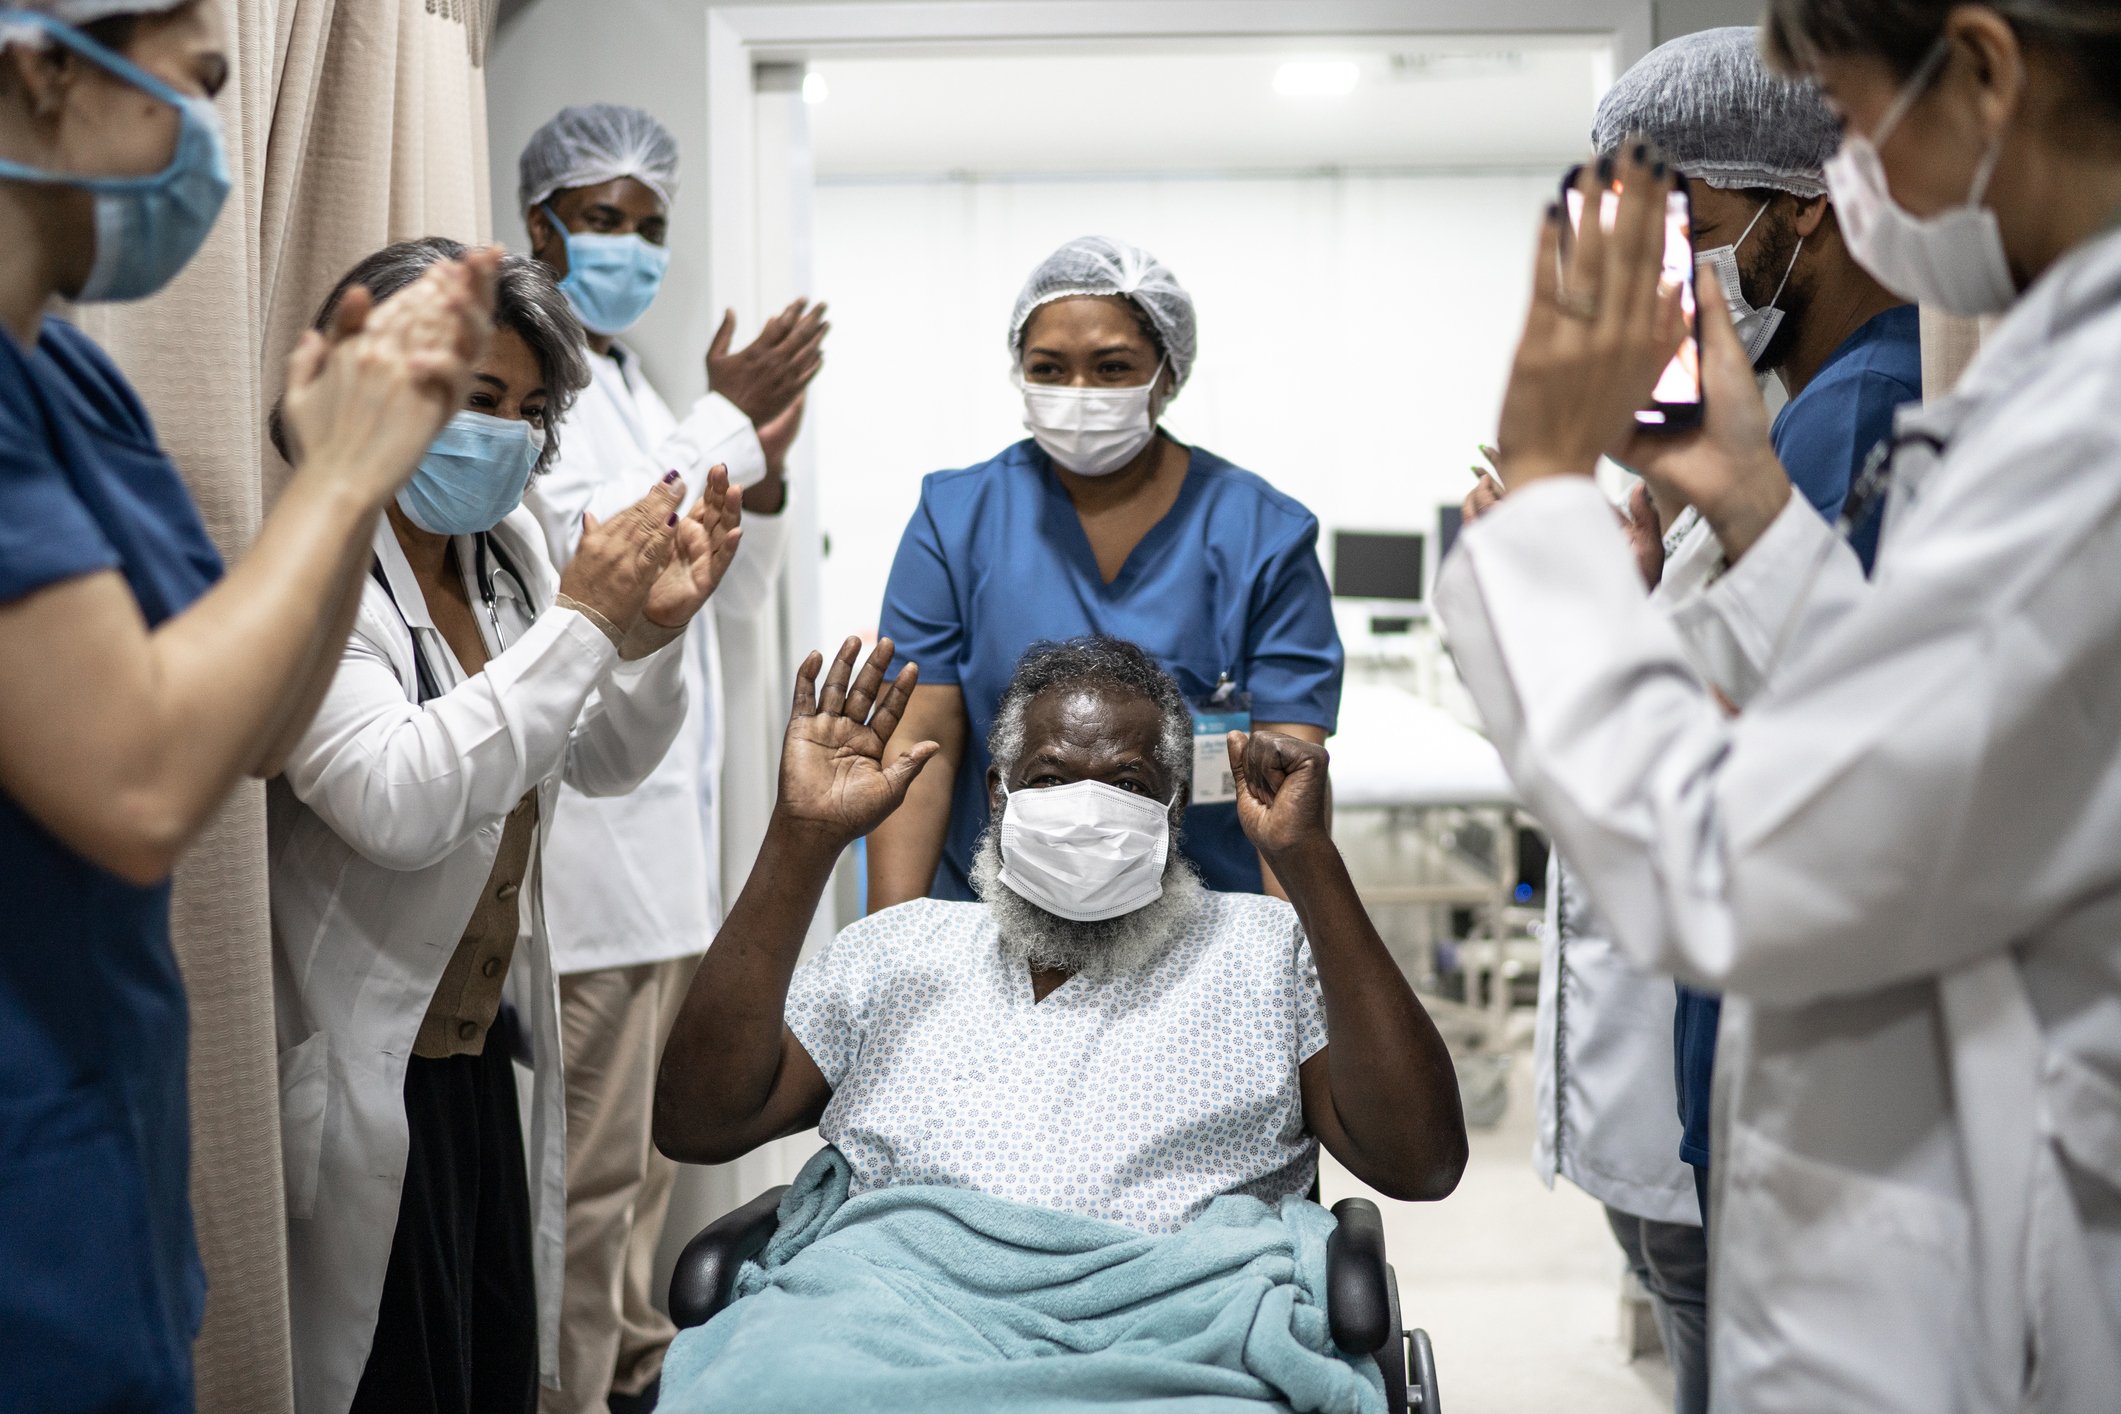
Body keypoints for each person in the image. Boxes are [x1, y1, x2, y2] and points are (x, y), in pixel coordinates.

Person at [1435, 2, 2121, 1407]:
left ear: (1982, 71)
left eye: (1855, 121)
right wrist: (1749, 497)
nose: (1848, 177)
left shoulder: (2088, 434)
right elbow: (1916, 731)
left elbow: (1739, 859)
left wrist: (1548, 500)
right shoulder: (2045, 390)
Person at [0, 5, 491, 1409]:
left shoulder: (70, 377)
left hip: (107, 1128)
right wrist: (339, 482)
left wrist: (339, 498)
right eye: (195, 88)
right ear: (45, 69)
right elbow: (141, 786)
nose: (208, 144)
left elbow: (260, 725)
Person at [1506, 32, 1928, 1414]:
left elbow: (1811, 770)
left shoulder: (1856, 410)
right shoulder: (1805, 412)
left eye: (1662, 224)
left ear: (1796, 201)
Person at [267, 238, 742, 1414]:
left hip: (478, 1063)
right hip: (363, 1064)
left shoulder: (509, 555)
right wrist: (588, 622)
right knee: (390, 1381)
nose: (509, 435)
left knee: (485, 1370)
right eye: (477, 398)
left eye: (532, 409)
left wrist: (648, 636)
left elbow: (606, 756)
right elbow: (398, 799)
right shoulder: (315, 569)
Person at [657, 632, 1464, 1214]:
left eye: (1127, 782)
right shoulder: (894, 954)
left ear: (1172, 809)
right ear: (996, 797)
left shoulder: (1260, 953)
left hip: (1170, 1338)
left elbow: (1419, 1163)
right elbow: (699, 1121)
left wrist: (1310, 864)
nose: (1085, 810)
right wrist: (800, 841)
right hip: (900, 1324)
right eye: (1048, 777)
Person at [512, 102, 827, 1414]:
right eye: (603, 221)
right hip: (582, 871)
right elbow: (608, 555)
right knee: (584, 1188)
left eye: (650, 225)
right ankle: (572, 1394)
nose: (632, 247)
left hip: (659, 867)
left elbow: (704, 608)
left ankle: (634, 1370)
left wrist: (749, 484)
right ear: (538, 225)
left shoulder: (635, 383)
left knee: (636, 1182)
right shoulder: (539, 382)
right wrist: (724, 418)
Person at [867, 237, 1343, 911]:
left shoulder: (1262, 534)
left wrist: (1294, 965)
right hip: (995, 918)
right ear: (1019, 372)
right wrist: (893, 941)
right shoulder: (955, 518)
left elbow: (1287, 774)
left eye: (1113, 367)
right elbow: (922, 747)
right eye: (1049, 368)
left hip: (1205, 922)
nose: (1078, 393)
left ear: (1167, 375)